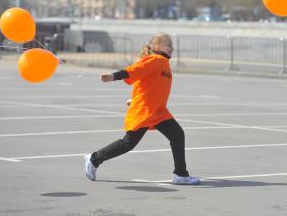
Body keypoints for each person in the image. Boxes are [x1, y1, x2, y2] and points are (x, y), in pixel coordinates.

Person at [84, 33, 201, 185]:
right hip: (145, 112)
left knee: (177, 135)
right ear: (158, 46)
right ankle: (94, 159)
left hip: (159, 112)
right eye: (169, 45)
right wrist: (113, 76)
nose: (172, 48)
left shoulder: (162, 63)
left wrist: (134, 98)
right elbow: (134, 70)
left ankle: (180, 174)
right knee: (127, 144)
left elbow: (145, 83)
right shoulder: (156, 60)